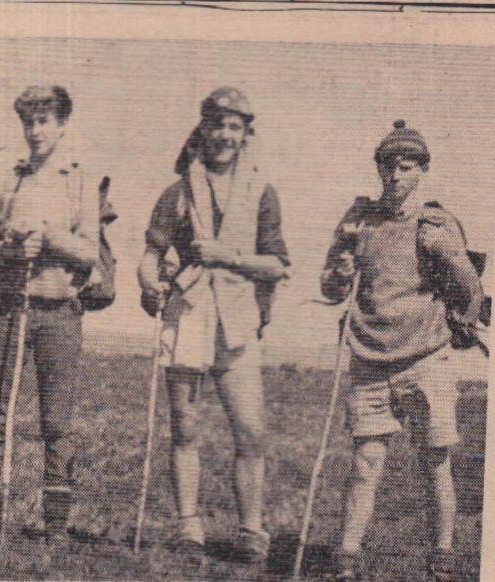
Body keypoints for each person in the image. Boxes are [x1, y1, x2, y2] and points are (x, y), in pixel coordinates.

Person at [321, 120, 483, 582]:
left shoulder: (435, 223)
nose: (394, 177)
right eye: (387, 167)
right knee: (365, 464)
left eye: (405, 167)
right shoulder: (358, 222)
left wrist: (454, 271)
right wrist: (340, 268)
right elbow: (330, 289)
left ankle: (443, 557)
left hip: (426, 358)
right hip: (369, 359)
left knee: (435, 461)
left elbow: (470, 291)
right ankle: (345, 562)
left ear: (423, 170)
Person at [137, 87, 290, 564]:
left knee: (250, 431)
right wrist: (149, 285)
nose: (225, 135)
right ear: (203, 128)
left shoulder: (261, 191)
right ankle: (189, 528)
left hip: (239, 325)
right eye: (218, 124)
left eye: (235, 126)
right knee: (184, 428)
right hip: (188, 317)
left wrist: (230, 257)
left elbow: (278, 265)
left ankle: (251, 530)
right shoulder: (179, 190)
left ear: (246, 134)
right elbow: (149, 256)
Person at [0, 85, 101, 548]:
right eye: (28, 120)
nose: (35, 130)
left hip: (59, 312)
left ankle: (56, 523)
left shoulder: (80, 178)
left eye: (45, 120)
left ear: (63, 124)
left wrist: (47, 238)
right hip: (9, 310)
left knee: (57, 422)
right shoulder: (9, 178)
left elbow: (90, 251)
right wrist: (9, 250)